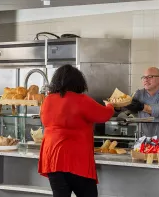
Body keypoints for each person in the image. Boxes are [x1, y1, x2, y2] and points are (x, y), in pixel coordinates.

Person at [38, 64, 114, 197]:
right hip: (76, 160)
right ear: (79, 82)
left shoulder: (47, 100)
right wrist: (110, 105)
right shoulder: (81, 100)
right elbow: (104, 115)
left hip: (52, 159)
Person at [125, 67, 159, 138]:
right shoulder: (138, 94)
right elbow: (123, 104)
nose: (146, 80)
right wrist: (118, 107)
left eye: (150, 77)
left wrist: (143, 107)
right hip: (144, 141)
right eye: (144, 77)